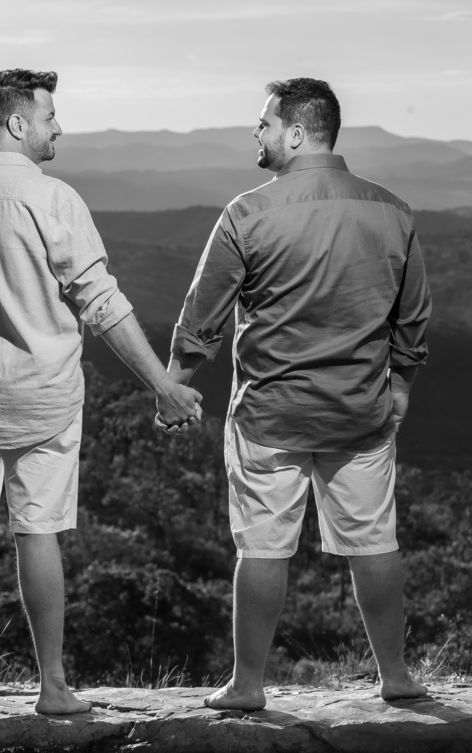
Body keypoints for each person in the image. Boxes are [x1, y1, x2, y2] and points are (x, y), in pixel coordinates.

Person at [0, 68, 202, 715]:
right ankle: (53, 687)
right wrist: (163, 386)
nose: (59, 129)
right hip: (46, 401)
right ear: (18, 123)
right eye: (51, 118)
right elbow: (101, 303)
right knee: (40, 535)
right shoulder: (55, 201)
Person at [166, 78, 432, 711]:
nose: (255, 133)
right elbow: (414, 317)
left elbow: (203, 314)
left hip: (268, 415)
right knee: (374, 542)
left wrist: (172, 385)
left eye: (263, 124)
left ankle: (248, 685)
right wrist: (398, 388)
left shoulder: (247, 213)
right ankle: (395, 677)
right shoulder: (393, 210)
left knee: (261, 547)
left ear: (295, 132)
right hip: (360, 413)